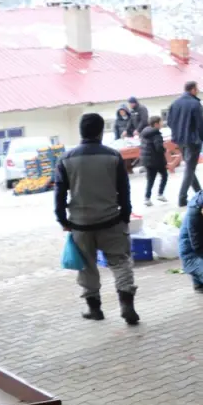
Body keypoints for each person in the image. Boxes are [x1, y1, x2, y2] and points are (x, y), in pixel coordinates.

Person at [55, 113, 138, 325]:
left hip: (80, 224)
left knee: (86, 267)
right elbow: (124, 190)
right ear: (101, 132)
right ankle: (127, 305)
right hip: (111, 220)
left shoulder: (66, 159)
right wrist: (125, 215)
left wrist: (62, 220)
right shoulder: (113, 156)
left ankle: (95, 310)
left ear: (80, 131)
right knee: (120, 263)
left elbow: (60, 194)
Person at [167, 80, 203, 207]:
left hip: (180, 140)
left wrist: (177, 133)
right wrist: (201, 137)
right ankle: (182, 198)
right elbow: (200, 124)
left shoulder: (175, 103)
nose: (198, 90)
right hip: (193, 140)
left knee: (190, 167)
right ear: (193, 90)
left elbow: (169, 122)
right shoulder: (195, 104)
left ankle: (199, 193)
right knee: (190, 168)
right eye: (197, 88)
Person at [138, 115, 168, 206]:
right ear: (156, 124)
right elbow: (158, 148)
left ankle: (147, 198)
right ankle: (160, 194)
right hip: (156, 161)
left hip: (147, 160)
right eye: (161, 122)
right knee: (164, 175)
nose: (162, 123)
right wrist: (164, 149)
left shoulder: (145, 132)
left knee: (150, 180)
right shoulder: (156, 134)